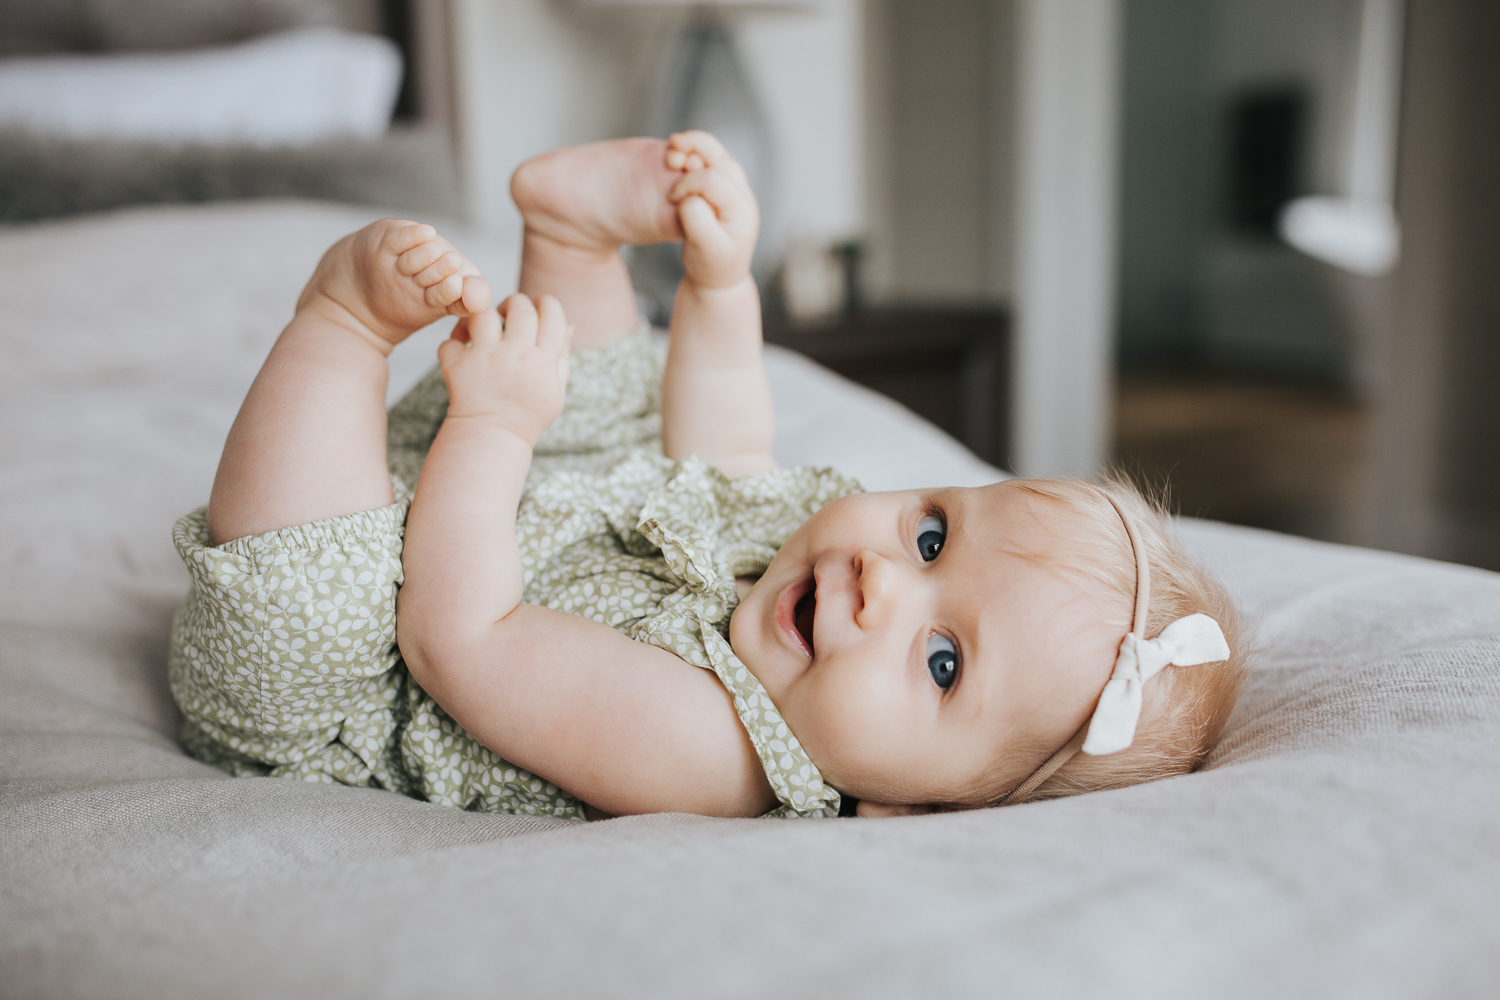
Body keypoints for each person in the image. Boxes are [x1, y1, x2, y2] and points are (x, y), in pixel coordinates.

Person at [170, 132, 1248, 820]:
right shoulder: (810, 563)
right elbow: (723, 448)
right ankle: (573, 236)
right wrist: (720, 285)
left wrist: (495, 423)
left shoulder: (716, 754)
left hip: (369, 672)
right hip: (502, 515)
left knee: (300, 611)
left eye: (944, 661)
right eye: (932, 537)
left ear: (907, 813)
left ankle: (340, 325)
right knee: (624, 415)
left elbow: (458, 640)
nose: (886, 583)